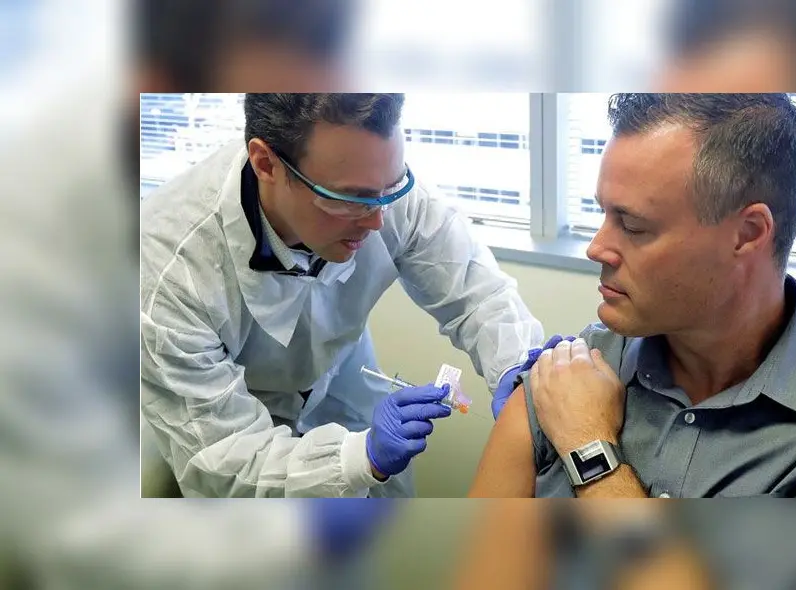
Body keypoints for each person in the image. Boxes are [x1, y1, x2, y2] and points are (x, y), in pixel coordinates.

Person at [141, 93, 561, 498]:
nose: (378, 220)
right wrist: (363, 458)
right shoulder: (168, 277)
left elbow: (476, 291)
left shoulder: (375, 186)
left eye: (391, 188)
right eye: (350, 200)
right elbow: (224, 461)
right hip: (231, 411)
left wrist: (516, 368)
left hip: (342, 372)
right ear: (266, 163)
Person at [469, 93, 796, 498]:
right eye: (602, 213)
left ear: (747, 234)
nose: (596, 247)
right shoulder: (570, 374)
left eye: (634, 226)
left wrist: (586, 444)